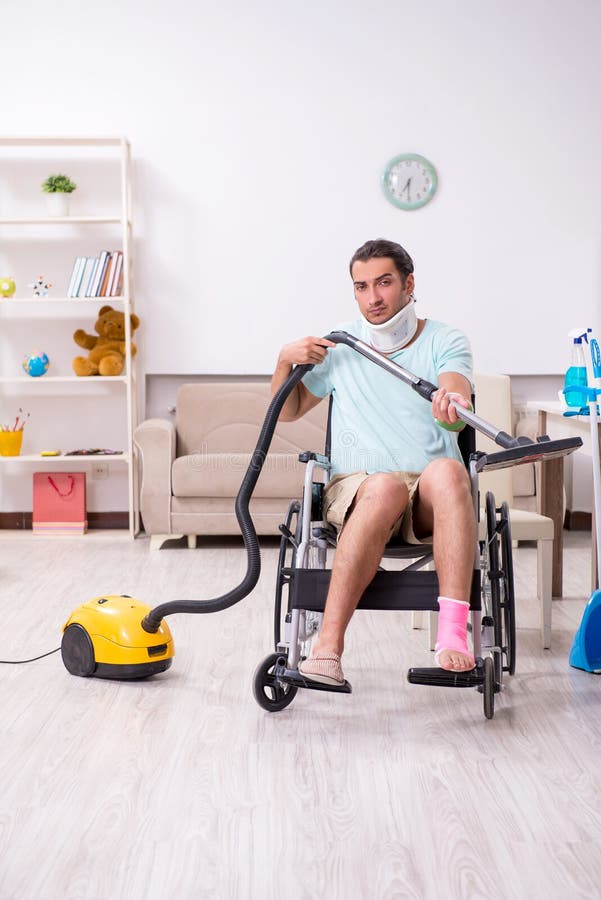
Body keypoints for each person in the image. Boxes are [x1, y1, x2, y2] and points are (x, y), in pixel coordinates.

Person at [270, 238, 477, 685]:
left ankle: (453, 636)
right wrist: (285, 359)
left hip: (427, 495)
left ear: (409, 284)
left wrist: (451, 402)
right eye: (361, 287)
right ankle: (327, 648)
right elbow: (286, 411)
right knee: (385, 486)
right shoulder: (341, 343)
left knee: (449, 468)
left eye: (383, 283)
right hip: (360, 488)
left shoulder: (445, 338)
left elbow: (455, 388)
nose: (373, 297)